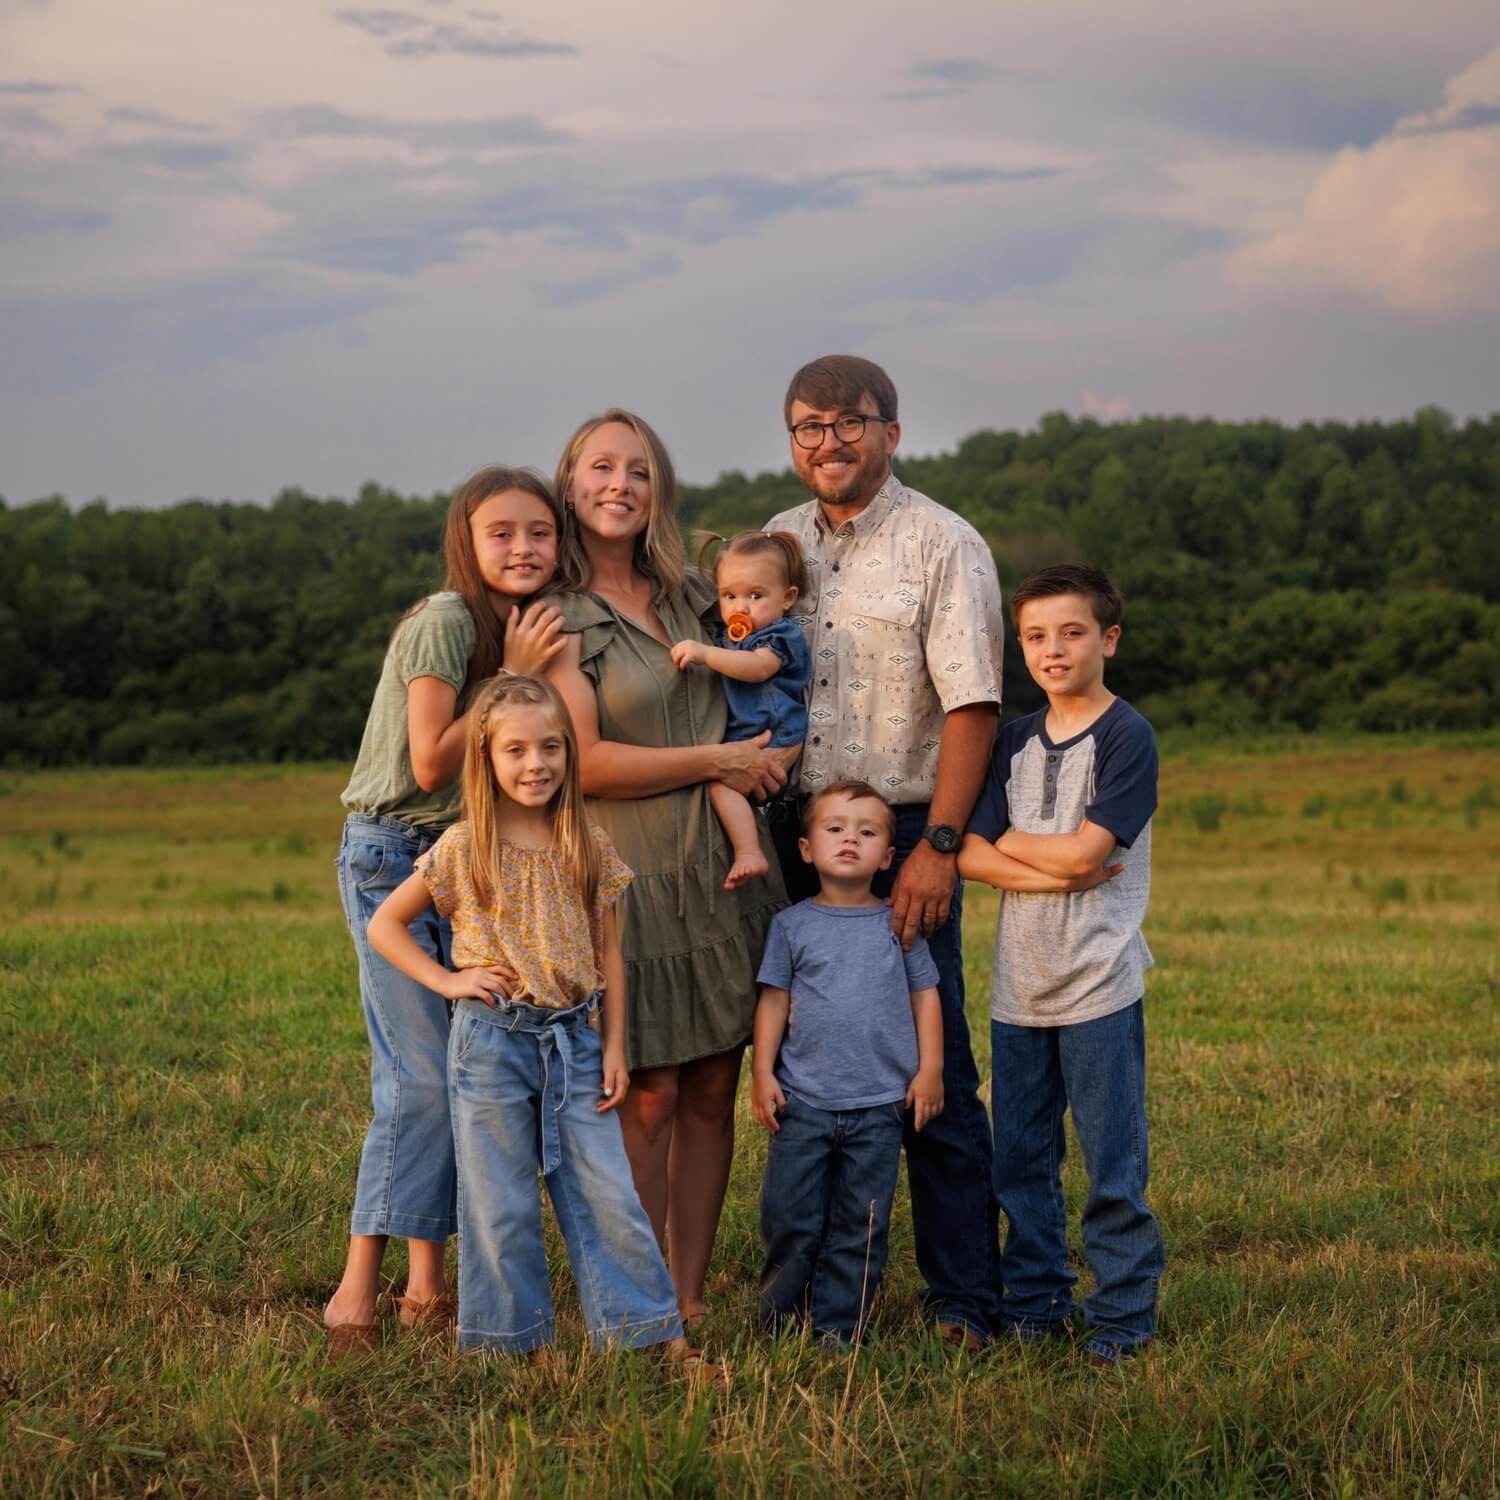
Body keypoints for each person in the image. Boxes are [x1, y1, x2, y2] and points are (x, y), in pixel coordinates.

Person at [764, 355, 1006, 1348]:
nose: (828, 442)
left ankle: (964, 1299)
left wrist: (939, 846)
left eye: (847, 423)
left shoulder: (942, 543)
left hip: (904, 830)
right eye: (807, 426)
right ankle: (816, 1289)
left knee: (925, 1059)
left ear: (890, 432)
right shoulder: (778, 541)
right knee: (809, 1062)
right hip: (793, 827)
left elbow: (974, 705)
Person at [366, 674, 707, 1363]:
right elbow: (385, 925)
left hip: (577, 1041)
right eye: (516, 750)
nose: (536, 764)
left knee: (610, 1196)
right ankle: (512, 1347)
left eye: (550, 747)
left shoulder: (586, 839)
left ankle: (651, 1341)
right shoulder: (464, 847)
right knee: (502, 1204)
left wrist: (615, 1045)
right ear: (487, 758)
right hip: (492, 1044)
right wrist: (448, 980)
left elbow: (611, 951)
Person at [546, 409, 794, 1327]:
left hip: (728, 868)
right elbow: (584, 761)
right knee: (644, 1095)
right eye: (600, 467)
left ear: (659, 490)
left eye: (639, 470)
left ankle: (686, 1298)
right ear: (570, 484)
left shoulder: (697, 593)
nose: (619, 484)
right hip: (631, 875)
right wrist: (717, 764)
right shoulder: (556, 615)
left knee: (711, 1091)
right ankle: (637, 1303)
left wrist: (767, 759)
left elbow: (769, 685)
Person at [323, 466, 571, 1349]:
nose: (522, 548)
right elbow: (431, 763)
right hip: (393, 855)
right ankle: (358, 1281)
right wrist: (509, 676)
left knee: (460, 1075)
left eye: (538, 532)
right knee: (417, 1079)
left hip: (470, 866)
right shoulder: (447, 622)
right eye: (501, 532)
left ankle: (427, 1280)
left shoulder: (532, 625)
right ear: (466, 540)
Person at [959, 564, 1164, 1363]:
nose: (1053, 649)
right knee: (1021, 1160)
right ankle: (1039, 1303)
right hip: (1019, 987)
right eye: (1036, 636)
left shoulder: (1125, 735)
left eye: (1072, 632)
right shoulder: (1013, 739)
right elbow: (974, 853)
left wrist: (1026, 847)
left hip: (1097, 982)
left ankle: (1121, 1321)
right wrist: (1047, 858)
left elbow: (1091, 856)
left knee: (1113, 1162)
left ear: (1107, 639)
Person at [751, 780, 944, 1342]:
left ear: (887, 856)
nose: (849, 841)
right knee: (789, 1218)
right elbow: (774, 1000)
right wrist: (763, 1071)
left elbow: (925, 998)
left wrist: (929, 1069)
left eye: (866, 832)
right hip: (803, 1100)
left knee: (861, 1225)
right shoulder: (791, 926)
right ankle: (781, 1322)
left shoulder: (898, 925)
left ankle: (839, 1327)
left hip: (880, 1105)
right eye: (834, 829)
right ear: (807, 848)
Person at [669, 531, 810, 890]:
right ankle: (750, 848)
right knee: (721, 785)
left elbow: (757, 668)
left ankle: (748, 851)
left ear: (788, 597)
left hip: (777, 732)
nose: (740, 608)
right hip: (748, 736)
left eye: (756, 596)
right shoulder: (731, 638)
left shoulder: (780, 635)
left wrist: (704, 654)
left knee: (721, 786)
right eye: (729, 596)